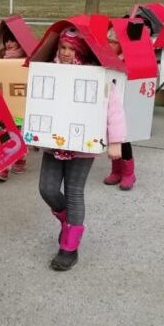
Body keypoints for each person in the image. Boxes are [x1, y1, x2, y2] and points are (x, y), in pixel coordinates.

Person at [38, 28, 125, 271]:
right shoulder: (49, 71)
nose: (66, 53)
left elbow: (114, 108)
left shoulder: (96, 74)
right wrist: (35, 131)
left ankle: (69, 247)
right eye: (62, 48)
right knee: (47, 188)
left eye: (71, 49)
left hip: (83, 143)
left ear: (81, 51)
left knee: (74, 191)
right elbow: (39, 101)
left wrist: (115, 141)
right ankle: (67, 218)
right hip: (54, 142)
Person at [102, 26, 135, 190]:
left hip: (125, 104)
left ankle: (129, 173)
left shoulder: (126, 59)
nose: (110, 45)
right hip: (110, 105)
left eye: (114, 42)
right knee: (111, 136)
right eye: (108, 42)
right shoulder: (105, 58)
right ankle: (116, 170)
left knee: (124, 140)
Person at [0, 27, 27, 182]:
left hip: (21, 105)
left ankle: (15, 162)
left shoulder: (26, 58)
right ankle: (8, 165)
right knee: (9, 135)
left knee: (18, 135)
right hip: (6, 105)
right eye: (6, 40)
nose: (8, 43)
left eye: (12, 39)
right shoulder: (1, 57)